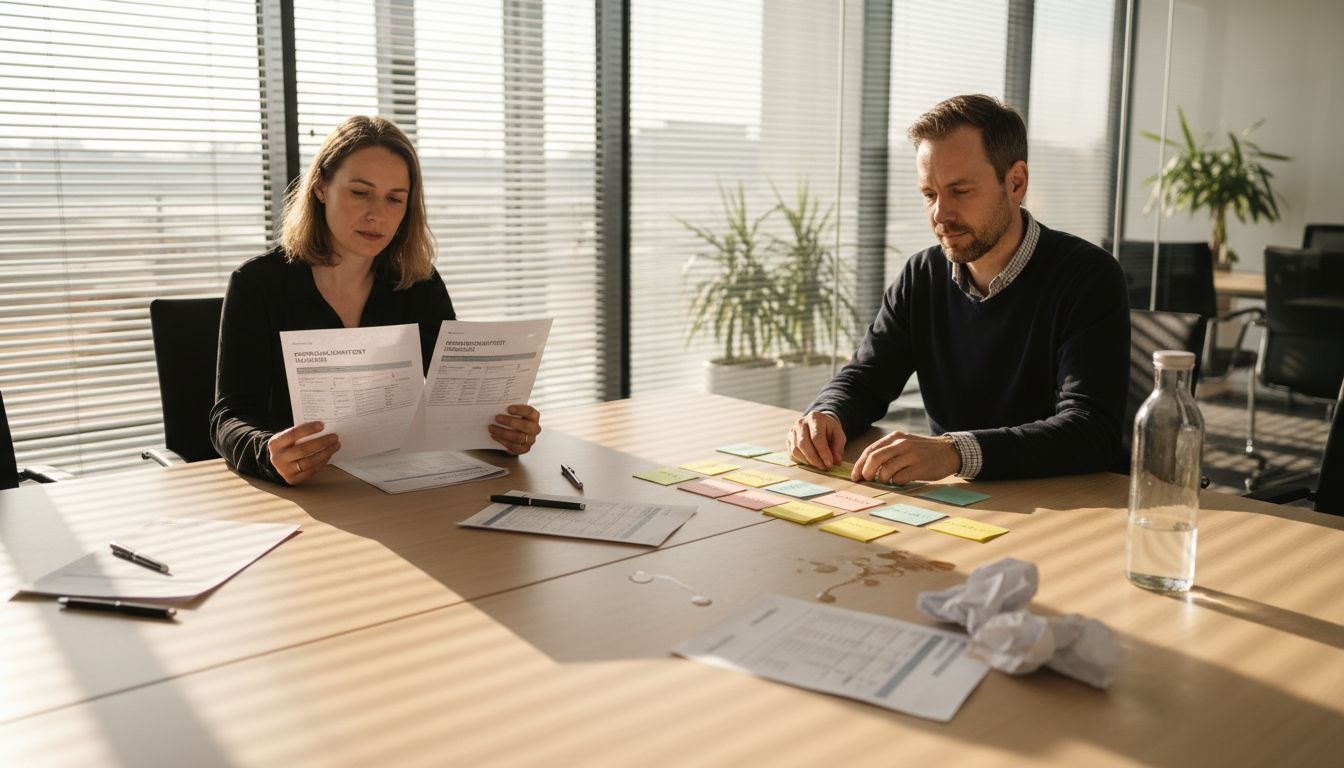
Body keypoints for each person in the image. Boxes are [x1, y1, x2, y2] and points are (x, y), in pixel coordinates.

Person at [787, 94, 1129, 484]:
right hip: (961, 504)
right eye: (929, 194)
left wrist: (954, 452)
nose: (940, 215)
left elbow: (1090, 431)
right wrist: (827, 414)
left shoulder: (1088, 276)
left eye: (960, 191)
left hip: (1069, 506)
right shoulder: (922, 274)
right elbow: (867, 378)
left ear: (1015, 183)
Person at [210, 116, 542, 485]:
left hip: (403, 488)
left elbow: (454, 408)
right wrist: (268, 453)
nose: (377, 214)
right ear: (321, 187)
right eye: (360, 192)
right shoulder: (257, 284)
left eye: (394, 199)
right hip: (308, 494)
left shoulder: (419, 284)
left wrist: (503, 432)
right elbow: (230, 416)